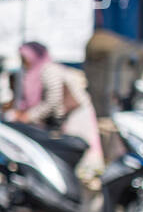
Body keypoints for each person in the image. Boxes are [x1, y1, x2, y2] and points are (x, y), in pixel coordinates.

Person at [8, 41, 103, 181]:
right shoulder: (31, 74)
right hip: (64, 121)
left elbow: (52, 100)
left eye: (25, 58)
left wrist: (29, 116)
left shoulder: (49, 70)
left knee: (82, 161)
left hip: (75, 119)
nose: (23, 62)